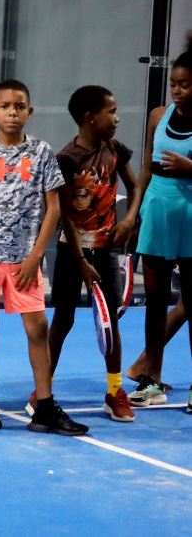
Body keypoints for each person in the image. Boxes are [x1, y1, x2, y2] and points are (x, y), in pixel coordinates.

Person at [0, 79, 88, 436]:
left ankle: (44, 407)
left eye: (19, 106)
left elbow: (54, 208)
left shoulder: (42, 152)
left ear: (30, 112)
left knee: (38, 328)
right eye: (5, 106)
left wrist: (35, 256)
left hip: (25, 261)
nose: (12, 112)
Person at [25, 85, 141, 422]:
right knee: (63, 319)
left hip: (106, 252)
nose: (117, 118)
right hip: (70, 251)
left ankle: (115, 390)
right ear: (91, 118)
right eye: (112, 111)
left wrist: (129, 220)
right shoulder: (66, 159)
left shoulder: (114, 149)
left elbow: (134, 188)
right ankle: (42, 388)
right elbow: (63, 215)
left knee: (110, 324)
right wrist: (80, 261)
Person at [128, 33, 192, 411]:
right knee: (154, 301)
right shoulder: (158, 116)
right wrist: (134, 212)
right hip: (157, 211)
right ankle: (151, 381)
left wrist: (190, 167)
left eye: (185, 85)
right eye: (174, 84)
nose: (178, 91)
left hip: (190, 213)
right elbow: (146, 168)